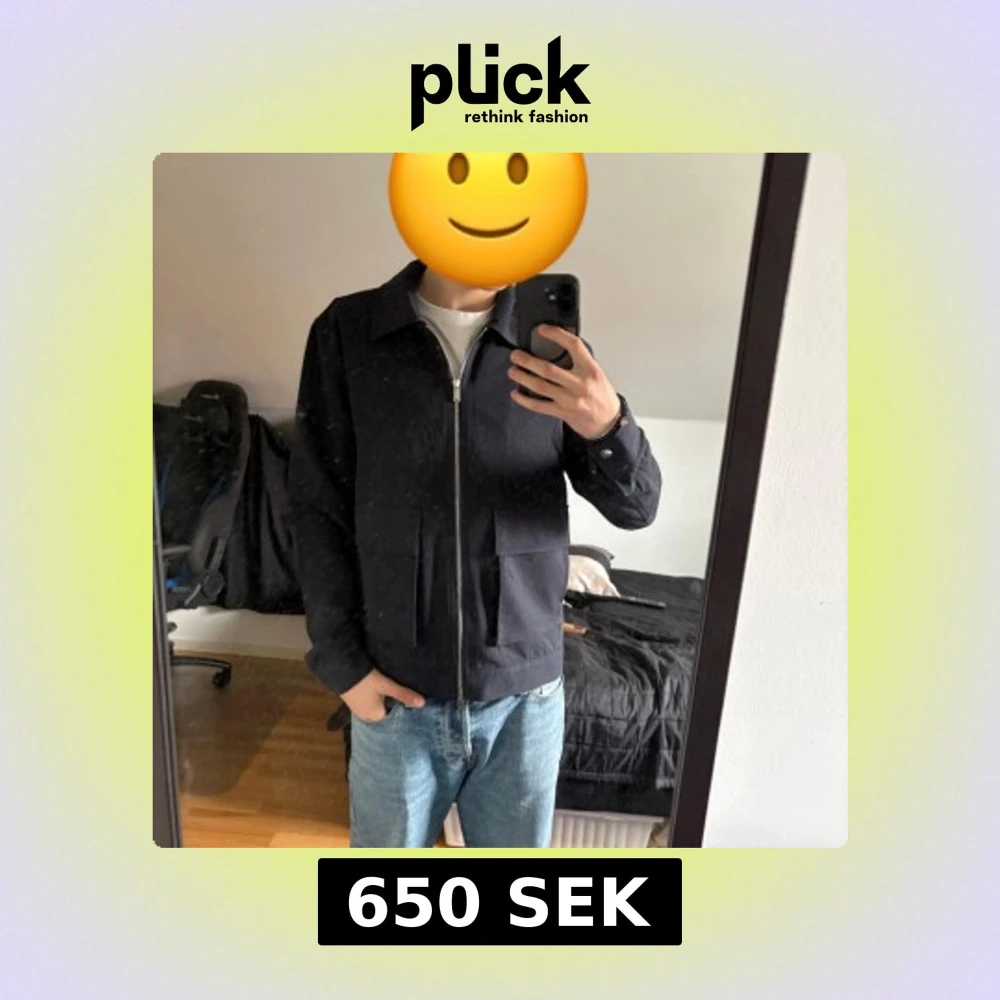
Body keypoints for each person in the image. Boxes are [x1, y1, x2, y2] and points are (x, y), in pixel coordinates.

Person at [288, 259, 661, 847]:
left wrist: (607, 425)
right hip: (396, 693)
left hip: (526, 704)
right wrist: (343, 666)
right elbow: (317, 509)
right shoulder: (348, 331)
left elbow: (637, 508)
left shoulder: (550, 346)